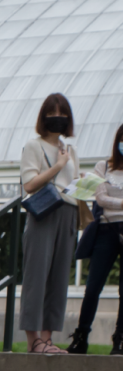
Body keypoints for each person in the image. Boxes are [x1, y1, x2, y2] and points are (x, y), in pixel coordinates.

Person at [20, 93, 79, 354]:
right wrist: (58, 166)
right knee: (36, 276)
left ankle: (47, 339)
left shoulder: (70, 149)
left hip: (68, 212)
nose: (58, 118)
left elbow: (72, 181)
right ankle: (34, 342)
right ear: (44, 117)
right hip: (43, 212)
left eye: (63, 113)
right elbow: (30, 184)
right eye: (53, 113)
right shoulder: (34, 146)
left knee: (58, 279)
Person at [66, 123, 123, 355]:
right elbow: (100, 198)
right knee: (93, 287)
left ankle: (119, 339)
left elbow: (108, 197)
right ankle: (81, 336)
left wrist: (115, 201)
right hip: (106, 230)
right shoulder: (104, 166)